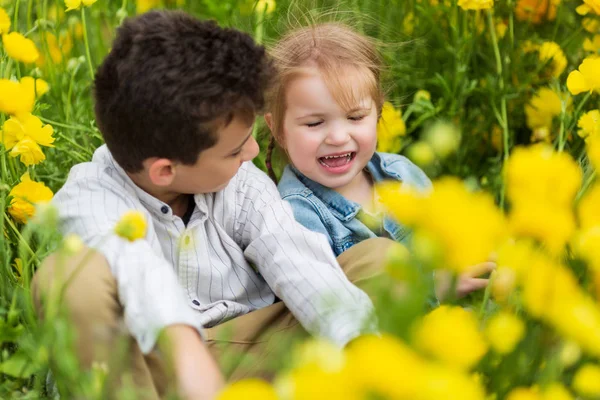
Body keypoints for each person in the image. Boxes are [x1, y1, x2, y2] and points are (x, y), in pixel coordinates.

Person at [31, 11, 394, 400]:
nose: (253, 152)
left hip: (249, 354)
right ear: (165, 171)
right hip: (144, 372)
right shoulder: (90, 195)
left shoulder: (242, 182)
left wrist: (362, 352)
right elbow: (137, 268)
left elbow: (294, 256)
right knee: (65, 278)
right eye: (236, 149)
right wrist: (187, 357)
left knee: (378, 261)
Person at [265, 22, 494, 300]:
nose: (338, 137)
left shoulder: (401, 173)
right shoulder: (294, 215)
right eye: (315, 123)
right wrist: (429, 287)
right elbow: (326, 307)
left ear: (378, 113)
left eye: (355, 117)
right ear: (278, 129)